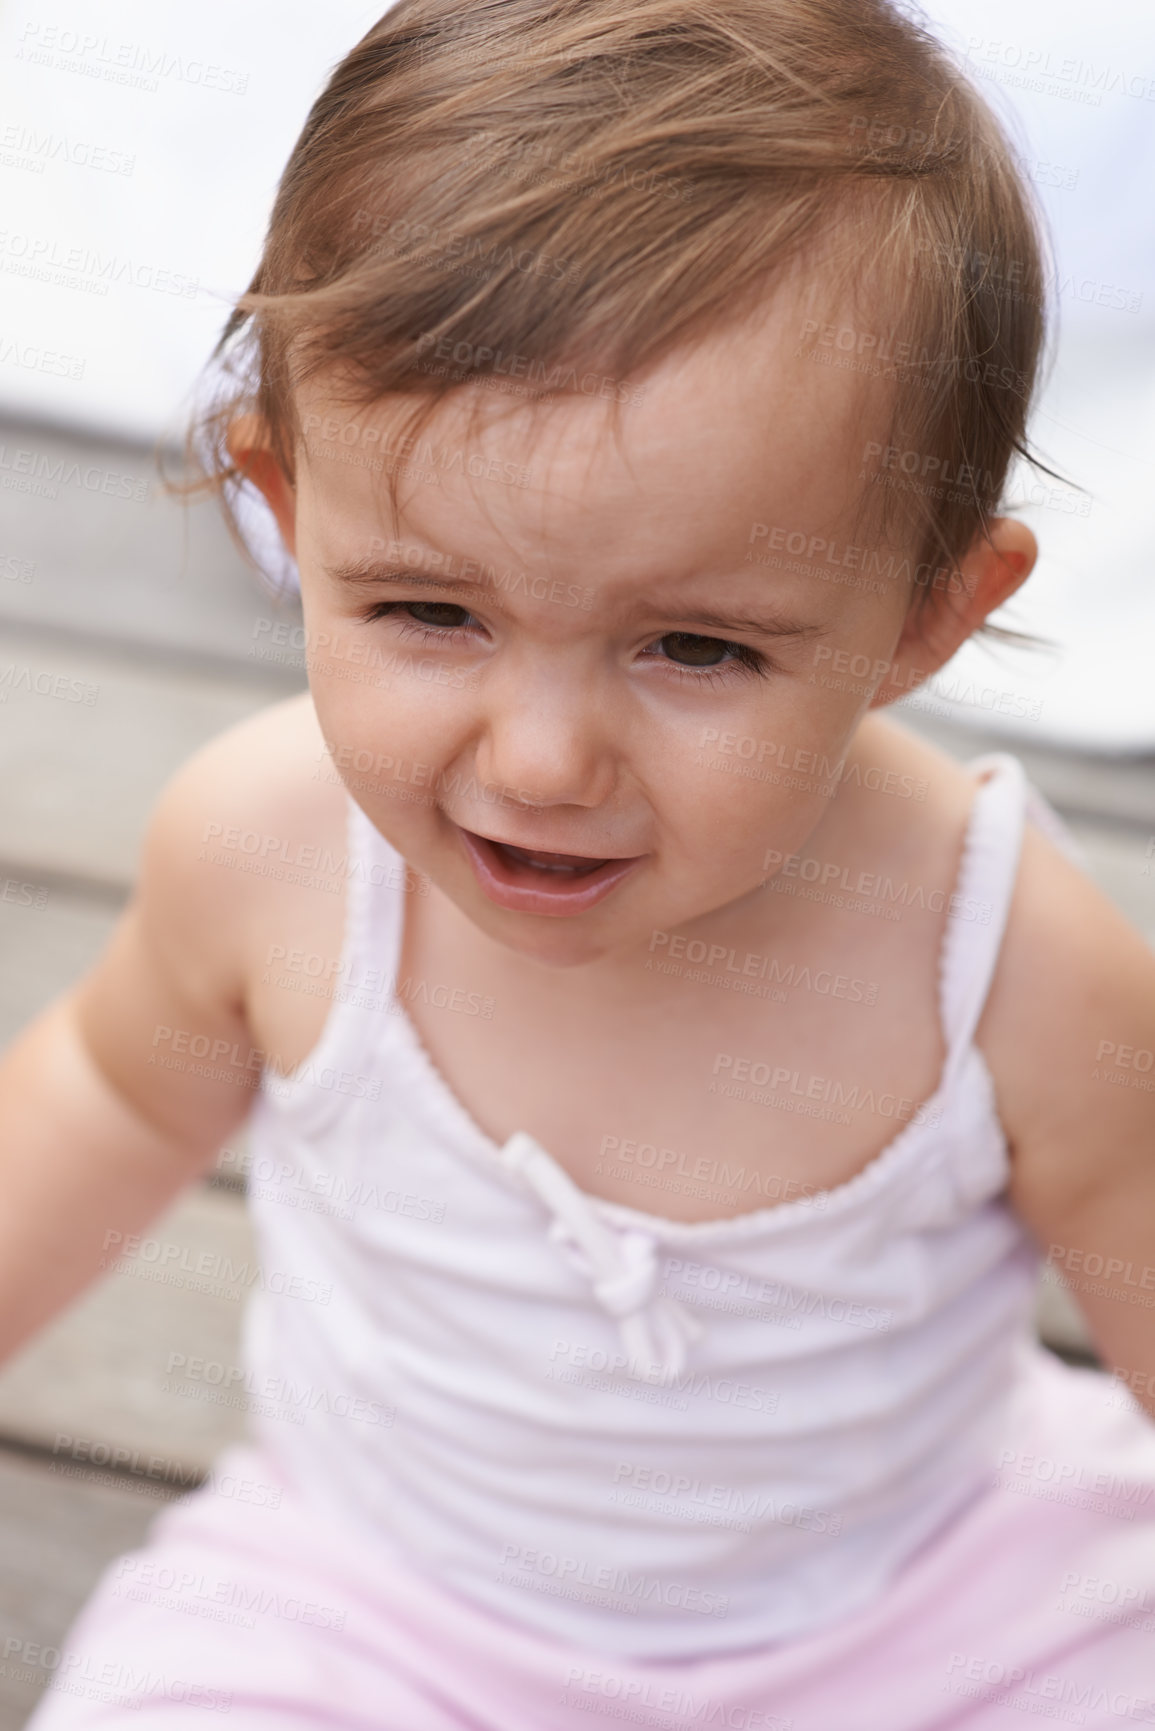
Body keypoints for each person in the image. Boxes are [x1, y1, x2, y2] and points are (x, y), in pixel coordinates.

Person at [7, 0, 1155, 1723]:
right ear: (287, 509)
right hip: (378, 1607)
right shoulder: (269, 860)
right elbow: (102, 1097)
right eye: (428, 612)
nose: (539, 765)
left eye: (696, 650)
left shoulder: (1001, 953)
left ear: (927, 616)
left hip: (931, 1612)